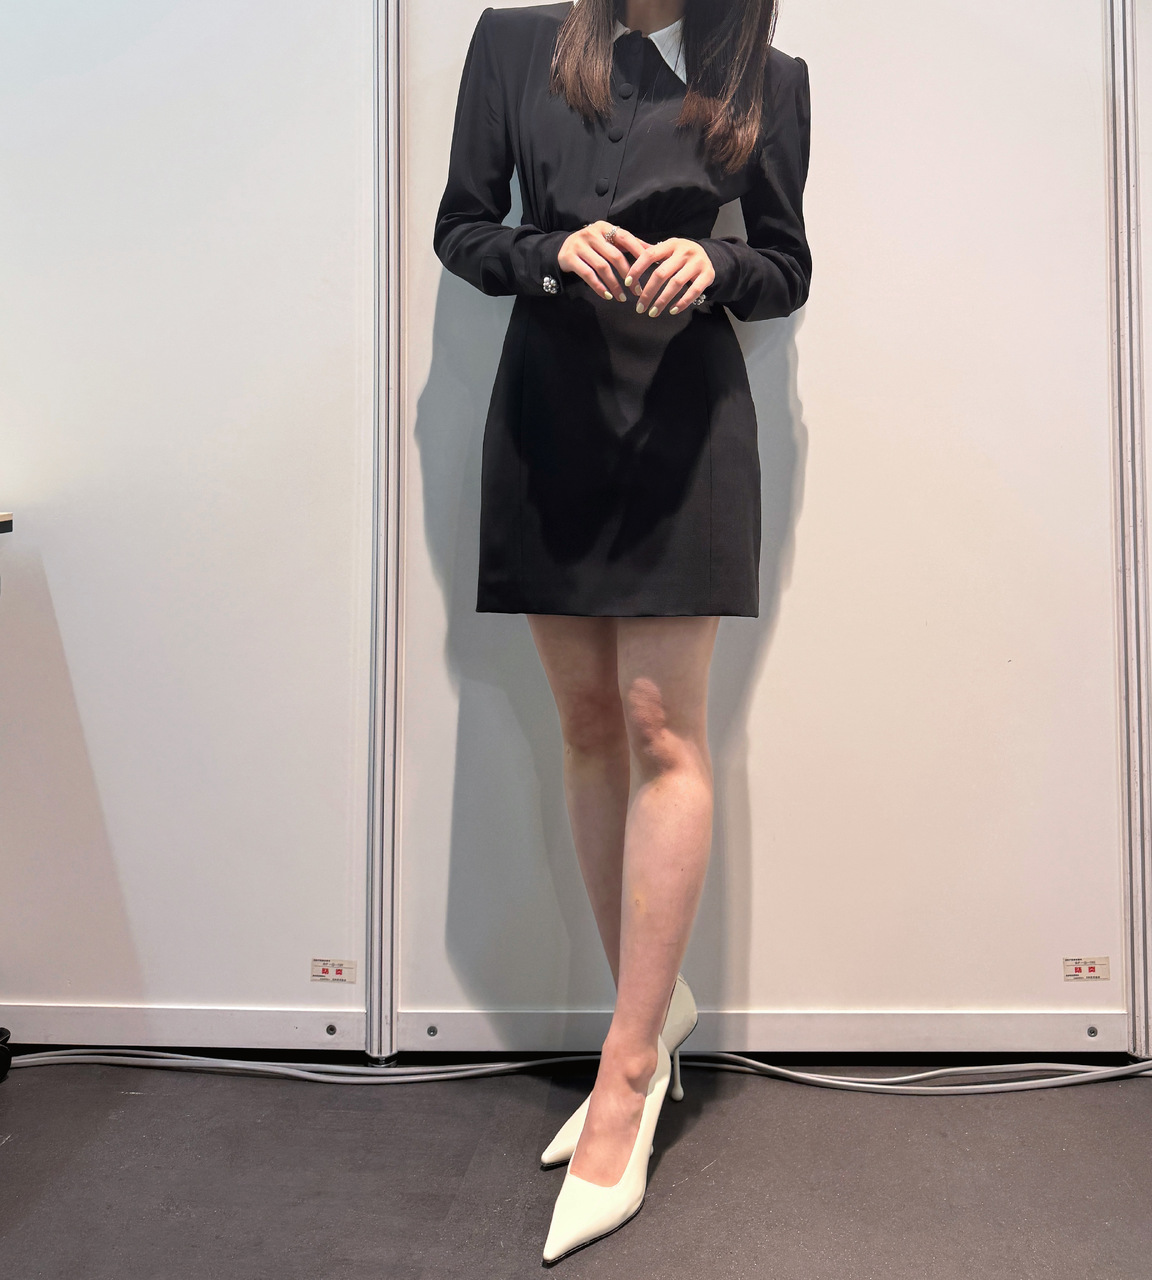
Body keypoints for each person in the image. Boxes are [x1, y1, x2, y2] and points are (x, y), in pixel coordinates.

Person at [434, 0, 811, 1261]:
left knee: (661, 725)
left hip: (685, 426)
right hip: (547, 415)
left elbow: (787, 263)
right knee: (588, 724)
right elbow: (462, 227)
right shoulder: (513, 45)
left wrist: (720, 266)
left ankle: (630, 1067)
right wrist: (549, 253)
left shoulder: (768, 75)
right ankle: (649, 1014)